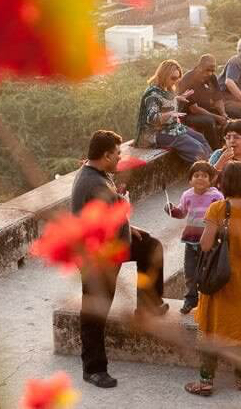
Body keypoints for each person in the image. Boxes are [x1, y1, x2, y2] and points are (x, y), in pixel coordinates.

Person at [72, 130, 167, 390]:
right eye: (117, 153)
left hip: (114, 245)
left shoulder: (98, 175)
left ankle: (148, 305)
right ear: (105, 155)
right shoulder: (94, 184)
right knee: (95, 313)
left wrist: (129, 228)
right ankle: (93, 369)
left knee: (150, 247)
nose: (120, 156)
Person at [185, 162, 241, 397]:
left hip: (222, 279)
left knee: (211, 329)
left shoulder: (217, 209)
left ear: (223, 183)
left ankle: (206, 381)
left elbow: (204, 244)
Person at [165, 161, 224, 315]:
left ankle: (209, 301)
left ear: (211, 179)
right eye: (196, 175)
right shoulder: (187, 195)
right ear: (190, 180)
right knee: (190, 272)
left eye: (204, 176)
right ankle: (190, 299)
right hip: (190, 241)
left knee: (208, 272)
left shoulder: (216, 196)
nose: (200, 178)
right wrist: (172, 210)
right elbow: (181, 213)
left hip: (209, 242)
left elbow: (221, 216)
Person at [138, 60, 213, 162]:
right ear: (164, 75)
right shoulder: (152, 94)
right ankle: (207, 169)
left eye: (178, 78)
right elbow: (152, 118)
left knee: (201, 138)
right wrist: (169, 114)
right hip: (155, 133)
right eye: (173, 78)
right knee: (197, 149)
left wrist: (178, 98)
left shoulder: (165, 89)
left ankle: (212, 166)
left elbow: (164, 103)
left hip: (170, 128)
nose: (176, 81)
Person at [179, 54, 230, 149]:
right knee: (209, 121)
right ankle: (215, 150)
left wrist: (223, 114)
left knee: (230, 115)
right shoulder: (188, 79)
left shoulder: (212, 77)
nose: (210, 73)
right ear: (199, 67)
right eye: (207, 70)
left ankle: (230, 147)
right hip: (189, 115)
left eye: (212, 70)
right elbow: (194, 109)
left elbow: (218, 99)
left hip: (206, 110)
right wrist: (217, 117)